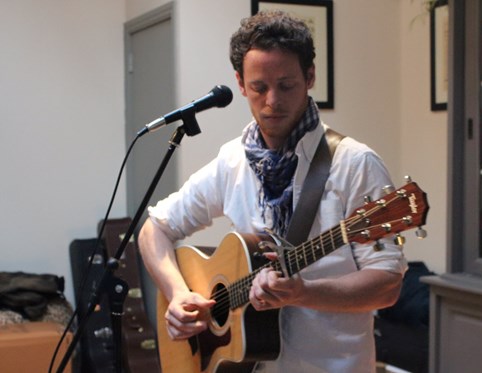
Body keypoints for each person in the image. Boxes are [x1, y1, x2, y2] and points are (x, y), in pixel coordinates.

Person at [138, 10, 407, 373]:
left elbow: (387, 285)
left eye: (286, 85)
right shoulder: (232, 161)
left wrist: (304, 293)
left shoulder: (355, 164)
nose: (272, 101)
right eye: (259, 87)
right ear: (240, 83)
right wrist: (178, 294)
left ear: (310, 77)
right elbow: (154, 229)